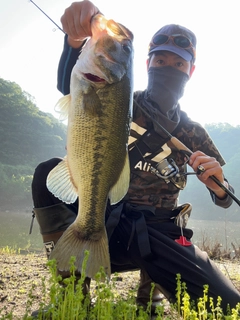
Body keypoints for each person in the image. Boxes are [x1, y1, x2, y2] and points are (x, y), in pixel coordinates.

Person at [31, 0, 240, 314]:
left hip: (159, 233)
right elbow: (70, 84)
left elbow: (225, 199)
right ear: (147, 64)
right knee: (46, 173)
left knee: (228, 306)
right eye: (160, 61)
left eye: (178, 64)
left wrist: (220, 187)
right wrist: (74, 41)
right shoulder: (121, 96)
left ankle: (151, 290)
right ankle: (71, 298)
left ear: (191, 71)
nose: (168, 68)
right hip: (108, 219)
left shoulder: (194, 132)